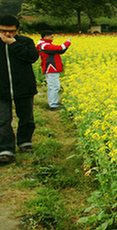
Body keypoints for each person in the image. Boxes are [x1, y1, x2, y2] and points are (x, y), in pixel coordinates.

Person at [0, 15, 39, 164]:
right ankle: (6, 149)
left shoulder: (25, 42)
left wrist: (12, 44)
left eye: (11, 31)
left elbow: (32, 56)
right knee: (3, 120)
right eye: (3, 31)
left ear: (17, 30)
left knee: (27, 118)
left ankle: (25, 142)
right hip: (1, 89)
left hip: (24, 87)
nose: (8, 34)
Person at [37, 31, 72, 110]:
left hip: (51, 68)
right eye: (51, 37)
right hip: (51, 68)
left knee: (52, 86)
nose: (52, 38)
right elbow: (60, 48)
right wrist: (67, 42)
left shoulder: (44, 44)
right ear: (46, 36)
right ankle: (53, 105)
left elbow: (61, 51)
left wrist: (66, 45)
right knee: (54, 86)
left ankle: (52, 103)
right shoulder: (44, 45)